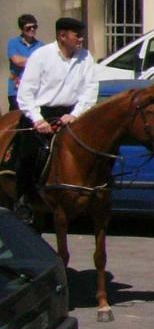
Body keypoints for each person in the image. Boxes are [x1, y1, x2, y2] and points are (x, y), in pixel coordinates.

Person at [13, 16, 98, 222]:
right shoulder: (41, 56)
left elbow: (90, 90)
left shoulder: (86, 57)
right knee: (29, 153)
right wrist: (38, 120)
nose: (81, 39)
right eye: (77, 35)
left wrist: (75, 114)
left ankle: (97, 192)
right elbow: (25, 94)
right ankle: (24, 198)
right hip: (42, 113)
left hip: (72, 114)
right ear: (62, 35)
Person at [7, 14, 42, 112]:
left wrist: (27, 60)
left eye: (34, 27)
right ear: (22, 29)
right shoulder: (13, 42)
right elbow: (17, 61)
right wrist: (36, 61)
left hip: (35, 90)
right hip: (16, 90)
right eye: (28, 28)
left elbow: (45, 64)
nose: (32, 29)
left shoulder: (40, 45)